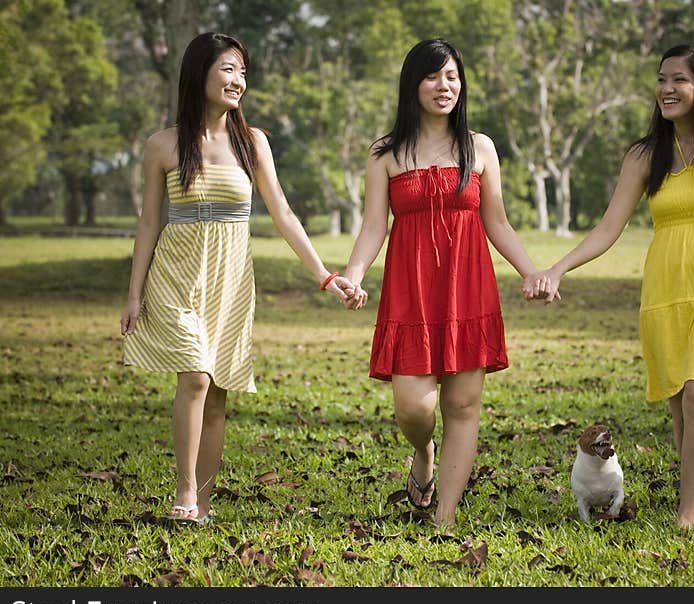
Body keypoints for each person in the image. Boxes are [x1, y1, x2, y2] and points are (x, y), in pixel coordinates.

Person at [525, 44, 694, 530]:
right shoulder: (646, 155)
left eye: (678, 80)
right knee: (682, 410)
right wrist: (557, 269)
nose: (666, 89)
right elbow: (607, 229)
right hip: (665, 291)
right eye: (661, 79)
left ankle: (685, 517)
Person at [120, 32, 354, 524]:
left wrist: (324, 276)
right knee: (196, 376)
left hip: (231, 278)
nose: (238, 80)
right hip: (177, 275)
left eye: (243, 71)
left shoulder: (253, 143)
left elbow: (284, 213)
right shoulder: (162, 146)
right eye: (228, 68)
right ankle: (184, 497)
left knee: (219, 392)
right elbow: (148, 223)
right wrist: (134, 293)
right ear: (199, 72)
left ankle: (203, 504)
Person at [342, 39, 545, 528]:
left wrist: (531, 270)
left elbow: (497, 223)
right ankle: (424, 453)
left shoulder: (481, 149)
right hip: (409, 292)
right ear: (413, 83)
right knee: (414, 407)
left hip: (467, 287)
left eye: (452, 76)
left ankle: (446, 515)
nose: (444, 86)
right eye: (433, 76)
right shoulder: (385, 153)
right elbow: (374, 226)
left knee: (462, 403)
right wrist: (352, 275)